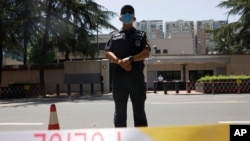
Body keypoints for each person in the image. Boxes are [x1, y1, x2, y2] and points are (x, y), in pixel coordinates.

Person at [105, 4, 151, 127]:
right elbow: (108, 53)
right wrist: (119, 62)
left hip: (137, 80)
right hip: (119, 80)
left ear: (134, 18)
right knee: (119, 115)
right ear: (120, 18)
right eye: (124, 13)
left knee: (140, 114)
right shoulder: (114, 36)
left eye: (129, 13)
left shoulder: (141, 35)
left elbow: (146, 53)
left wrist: (131, 59)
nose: (127, 14)